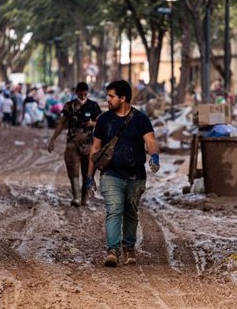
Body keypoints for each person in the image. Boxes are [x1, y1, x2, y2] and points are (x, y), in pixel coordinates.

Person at [87, 79, 160, 267]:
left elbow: (150, 141)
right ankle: (112, 250)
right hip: (111, 173)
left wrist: (154, 156)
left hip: (136, 174)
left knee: (131, 212)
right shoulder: (103, 120)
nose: (107, 100)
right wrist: (89, 176)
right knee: (114, 209)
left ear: (123, 97)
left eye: (111, 96)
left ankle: (129, 248)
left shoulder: (141, 119)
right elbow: (95, 149)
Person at [47, 82, 102, 207]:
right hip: (72, 143)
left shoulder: (93, 106)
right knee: (73, 170)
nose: (83, 95)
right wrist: (53, 139)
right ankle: (76, 197)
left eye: (85, 92)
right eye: (80, 92)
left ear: (87, 92)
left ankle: (84, 198)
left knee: (87, 171)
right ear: (76, 92)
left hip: (88, 145)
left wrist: (92, 124)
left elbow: (101, 123)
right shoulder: (69, 106)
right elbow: (62, 123)